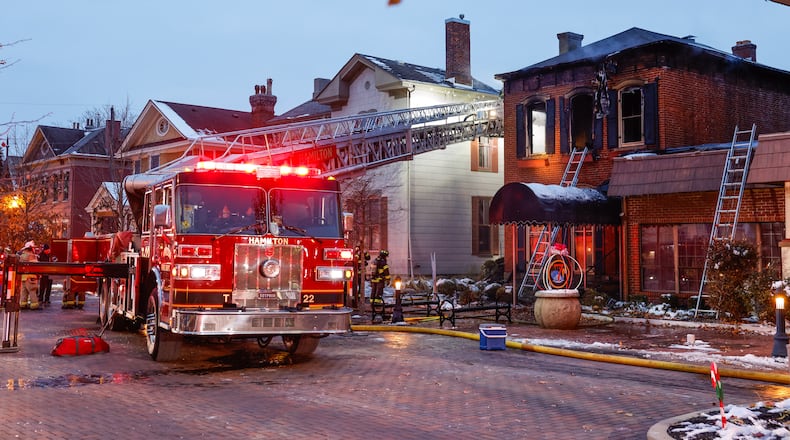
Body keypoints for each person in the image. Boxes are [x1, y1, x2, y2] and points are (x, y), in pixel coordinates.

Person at [18, 240, 40, 310]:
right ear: (30, 248)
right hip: (31, 277)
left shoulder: (22, 256)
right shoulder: (32, 256)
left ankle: (23, 304)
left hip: (23, 277)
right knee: (32, 291)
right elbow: (36, 266)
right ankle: (34, 305)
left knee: (24, 292)